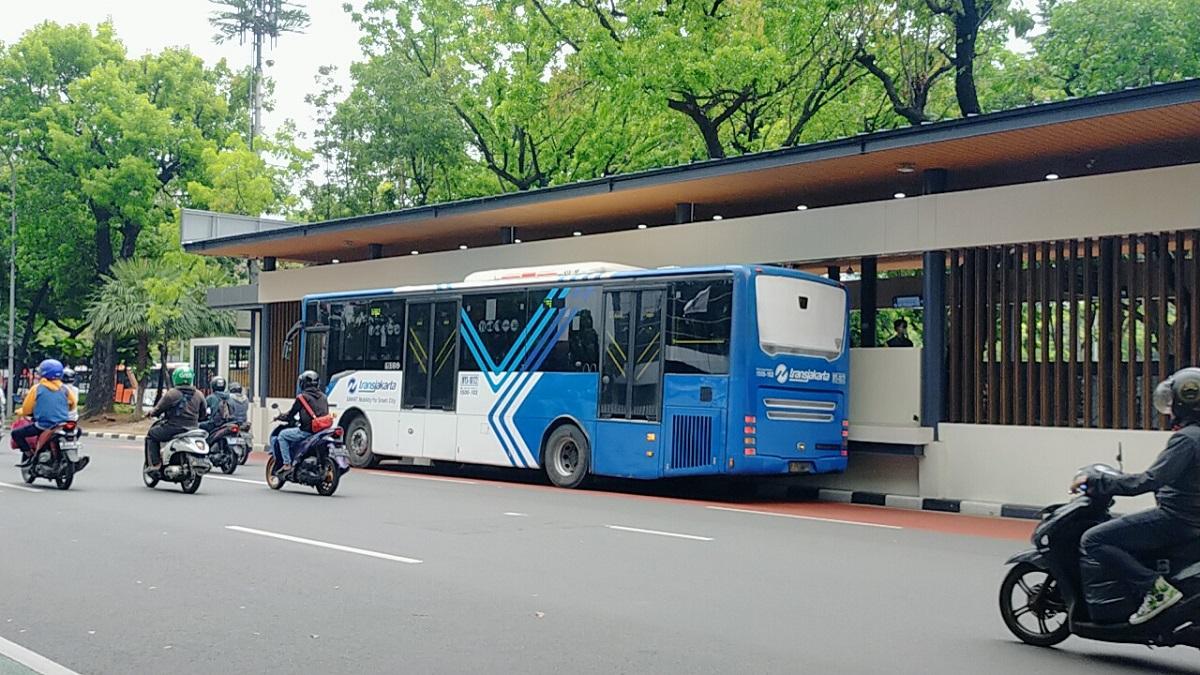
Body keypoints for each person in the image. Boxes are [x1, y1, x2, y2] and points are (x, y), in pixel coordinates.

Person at [1077, 367, 1200, 625]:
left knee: (1093, 539)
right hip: (1192, 519)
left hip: (1176, 519)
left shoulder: (1187, 440)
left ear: (1185, 402)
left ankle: (1155, 589)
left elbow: (1149, 480)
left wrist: (1102, 482)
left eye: (1173, 401)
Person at [144, 366, 207, 474]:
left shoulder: (172, 394)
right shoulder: (199, 394)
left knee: (152, 435)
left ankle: (155, 464)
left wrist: (152, 413)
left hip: (174, 428)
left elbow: (158, 409)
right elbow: (203, 414)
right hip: (193, 428)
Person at [14, 359, 77, 467]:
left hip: (44, 425)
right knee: (77, 431)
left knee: (16, 434)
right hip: (62, 424)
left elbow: (27, 409)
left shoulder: (37, 389)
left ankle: (30, 456)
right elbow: (73, 404)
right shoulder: (65, 389)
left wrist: (22, 412)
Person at [274, 370, 329, 475]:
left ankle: (286, 464)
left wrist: (281, 417)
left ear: (303, 383)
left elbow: (291, 414)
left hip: (306, 432)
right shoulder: (324, 397)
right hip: (321, 431)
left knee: (282, 435)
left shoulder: (302, 397)